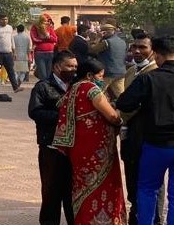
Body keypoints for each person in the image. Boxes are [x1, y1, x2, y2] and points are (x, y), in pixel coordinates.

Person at [117, 36, 174, 225]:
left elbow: (124, 103)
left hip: (157, 145)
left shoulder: (148, 78)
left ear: (157, 55)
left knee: (147, 190)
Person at [52, 58, 126, 224]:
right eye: (100, 76)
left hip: (78, 148)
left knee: (82, 186)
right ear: (90, 75)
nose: (101, 80)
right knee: (101, 184)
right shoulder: (91, 89)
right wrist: (120, 121)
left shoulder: (72, 90)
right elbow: (112, 116)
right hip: (97, 149)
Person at [28, 50, 77, 225]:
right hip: (51, 147)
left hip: (74, 149)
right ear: (57, 67)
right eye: (69, 66)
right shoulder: (43, 87)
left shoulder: (77, 85)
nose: (73, 70)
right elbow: (35, 111)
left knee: (72, 193)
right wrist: (62, 117)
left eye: (75, 67)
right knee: (51, 193)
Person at [121, 32, 162, 225]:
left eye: (143, 47)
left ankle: (155, 219)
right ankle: (136, 215)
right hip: (130, 135)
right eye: (134, 47)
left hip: (148, 135)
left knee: (152, 183)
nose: (137, 51)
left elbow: (137, 105)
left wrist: (117, 114)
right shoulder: (130, 71)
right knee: (132, 179)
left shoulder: (156, 74)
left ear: (153, 50)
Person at [91, 23, 127, 100]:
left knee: (97, 94)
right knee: (121, 96)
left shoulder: (106, 42)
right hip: (121, 72)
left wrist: (97, 38)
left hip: (108, 73)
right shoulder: (122, 42)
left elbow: (92, 50)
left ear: (104, 32)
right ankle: (125, 110)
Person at [0, 15, 23, 93]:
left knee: (11, 71)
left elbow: (12, 39)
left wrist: (14, 51)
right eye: (3, 19)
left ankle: (15, 88)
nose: (5, 21)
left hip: (8, 53)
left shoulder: (10, 28)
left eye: (6, 19)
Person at [31, 13, 57, 81]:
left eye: (48, 21)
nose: (46, 22)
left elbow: (55, 39)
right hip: (40, 53)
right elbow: (34, 39)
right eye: (44, 21)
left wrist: (48, 37)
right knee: (43, 74)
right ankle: (43, 88)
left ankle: (47, 89)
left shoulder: (49, 28)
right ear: (40, 21)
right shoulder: (35, 27)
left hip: (50, 53)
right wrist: (44, 39)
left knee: (49, 74)